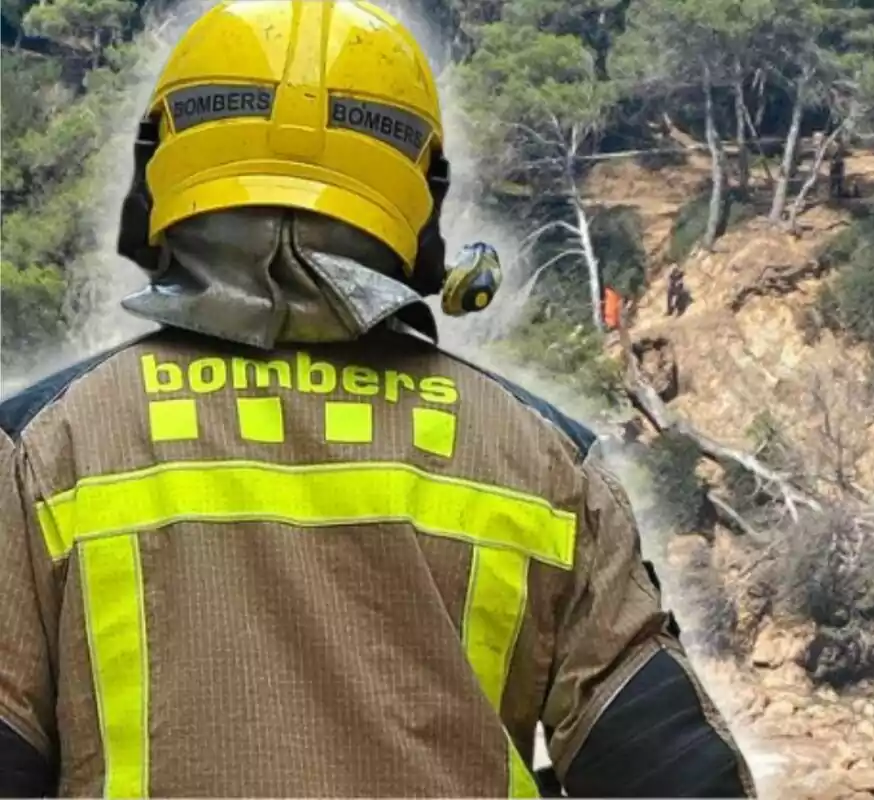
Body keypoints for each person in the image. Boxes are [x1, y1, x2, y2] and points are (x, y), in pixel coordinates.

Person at [0, 1, 756, 797]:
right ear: (419, 191)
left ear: (164, 163)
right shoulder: (542, 461)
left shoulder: (46, 447)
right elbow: (675, 771)